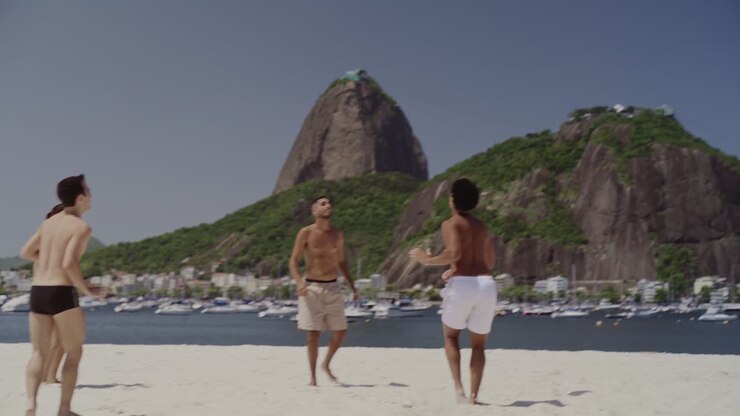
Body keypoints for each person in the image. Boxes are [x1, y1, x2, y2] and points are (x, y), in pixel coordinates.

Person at [20, 175, 103, 416]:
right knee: (75, 351)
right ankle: (64, 409)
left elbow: (26, 252)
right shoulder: (81, 227)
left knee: (38, 353)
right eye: (88, 190)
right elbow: (69, 264)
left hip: (38, 291)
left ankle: (30, 405)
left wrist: (48, 262)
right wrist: (88, 289)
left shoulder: (49, 223)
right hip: (61, 292)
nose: (91, 195)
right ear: (80, 197)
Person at [409, 178, 496, 405]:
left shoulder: (451, 224)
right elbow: (490, 261)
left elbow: (454, 253)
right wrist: (454, 270)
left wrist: (427, 260)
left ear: (453, 200)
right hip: (486, 284)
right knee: (479, 345)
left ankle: (459, 390)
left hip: (463, 286)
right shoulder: (482, 227)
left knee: (451, 336)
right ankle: (475, 396)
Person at [289, 195, 359, 386]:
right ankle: (312, 378)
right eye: (323, 203)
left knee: (341, 331)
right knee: (313, 334)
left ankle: (326, 364)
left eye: (329, 203)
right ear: (314, 210)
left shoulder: (338, 234)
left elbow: (342, 262)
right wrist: (298, 283)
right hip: (312, 287)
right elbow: (293, 261)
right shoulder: (305, 233)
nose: (328, 205)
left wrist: (352, 286)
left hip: (333, 286)